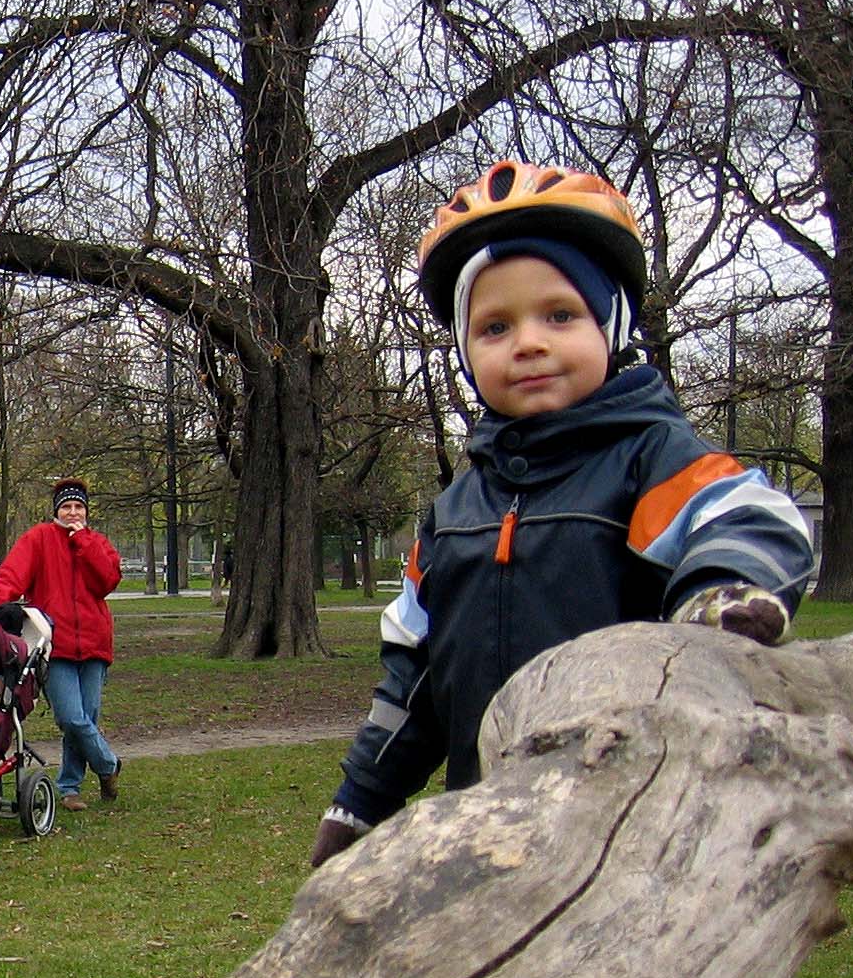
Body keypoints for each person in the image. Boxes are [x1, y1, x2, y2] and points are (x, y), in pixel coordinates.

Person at [310, 160, 815, 870]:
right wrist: (360, 800)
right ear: (466, 352)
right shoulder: (454, 514)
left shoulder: (651, 460)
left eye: (560, 315)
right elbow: (414, 682)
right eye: (494, 326)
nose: (529, 342)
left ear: (612, 323)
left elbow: (748, 516)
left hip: (631, 836)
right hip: (488, 831)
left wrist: (720, 594)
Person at [0, 478, 123, 812]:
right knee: (71, 718)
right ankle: (108, 765)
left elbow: (107, 581)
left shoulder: (97, 542)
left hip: (95, 644)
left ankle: (69, 787)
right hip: (54, 645)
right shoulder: (38, 539)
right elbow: (11, 577)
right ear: (56, 511)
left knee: (86, 719)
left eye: (78, 507)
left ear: (86, 511)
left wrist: (83, 541)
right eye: (66, 507)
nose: (73, 513)